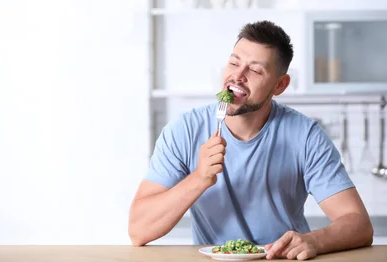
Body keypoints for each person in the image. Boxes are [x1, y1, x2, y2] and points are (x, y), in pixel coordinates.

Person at [128, 20, 374, 260]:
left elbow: (359, 224)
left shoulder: (306, 136)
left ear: (280, 85)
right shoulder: (184, 131)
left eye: (255, 70)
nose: (238, 75)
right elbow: (139, 230)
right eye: (234, 63)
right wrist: (199, 178)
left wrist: (314, 240)